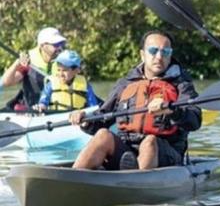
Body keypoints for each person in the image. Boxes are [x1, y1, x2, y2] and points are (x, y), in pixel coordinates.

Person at [69, 30, 201, 170]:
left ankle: (135, 182)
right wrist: (85, 120)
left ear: (170, 55)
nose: (159, 57)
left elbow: (195, 121)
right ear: (142, 55)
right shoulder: (125, 83)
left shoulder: (182, 85)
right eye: (153, 50)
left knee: (149, 141)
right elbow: (103, 118)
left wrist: (171, 110)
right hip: (127, 149)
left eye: (165, 52)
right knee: (103, 135)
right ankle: (71, 178)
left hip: (166, 153)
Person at [1, 27, 66, 111]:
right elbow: (7, 82)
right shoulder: (29, 61)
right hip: (32, 108)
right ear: (43, 46)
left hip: (57, 108)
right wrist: (16, 64)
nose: (60, 48)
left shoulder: (66, 60)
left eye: (62, 43)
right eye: (56, 45)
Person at [35, 50, 100, 112]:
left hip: (78, 120)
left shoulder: (85, 86)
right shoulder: (51, 84)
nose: (60, 74)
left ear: (76, 70)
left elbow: (93, 107)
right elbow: (43, 101)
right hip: (56, 119)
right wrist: (41, 106)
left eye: (64, 70)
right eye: (58, 70)